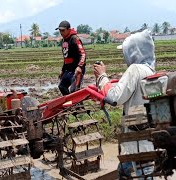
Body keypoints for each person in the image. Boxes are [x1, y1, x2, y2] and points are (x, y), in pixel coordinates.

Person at [93, 29, 155, 178]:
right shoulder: (150, 71)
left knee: (145, 174)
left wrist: (102, 76)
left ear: (134, 51)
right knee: (125, 170)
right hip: (144, 132)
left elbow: (115, 97)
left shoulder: (135, 70)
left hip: (137, 140)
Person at [56, 20, 86, 95]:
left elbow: (83, 54)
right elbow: (66, 58)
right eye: (60, 31)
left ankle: (77, 105)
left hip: (76, 70)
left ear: (69, 30)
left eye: (63, 30)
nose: (61, 32)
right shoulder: (64, 40)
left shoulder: (74, 39)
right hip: (68, 70)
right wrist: (62, 70)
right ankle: (70, 104)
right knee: (62, 86)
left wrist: (79, 67)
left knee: (74, 90)